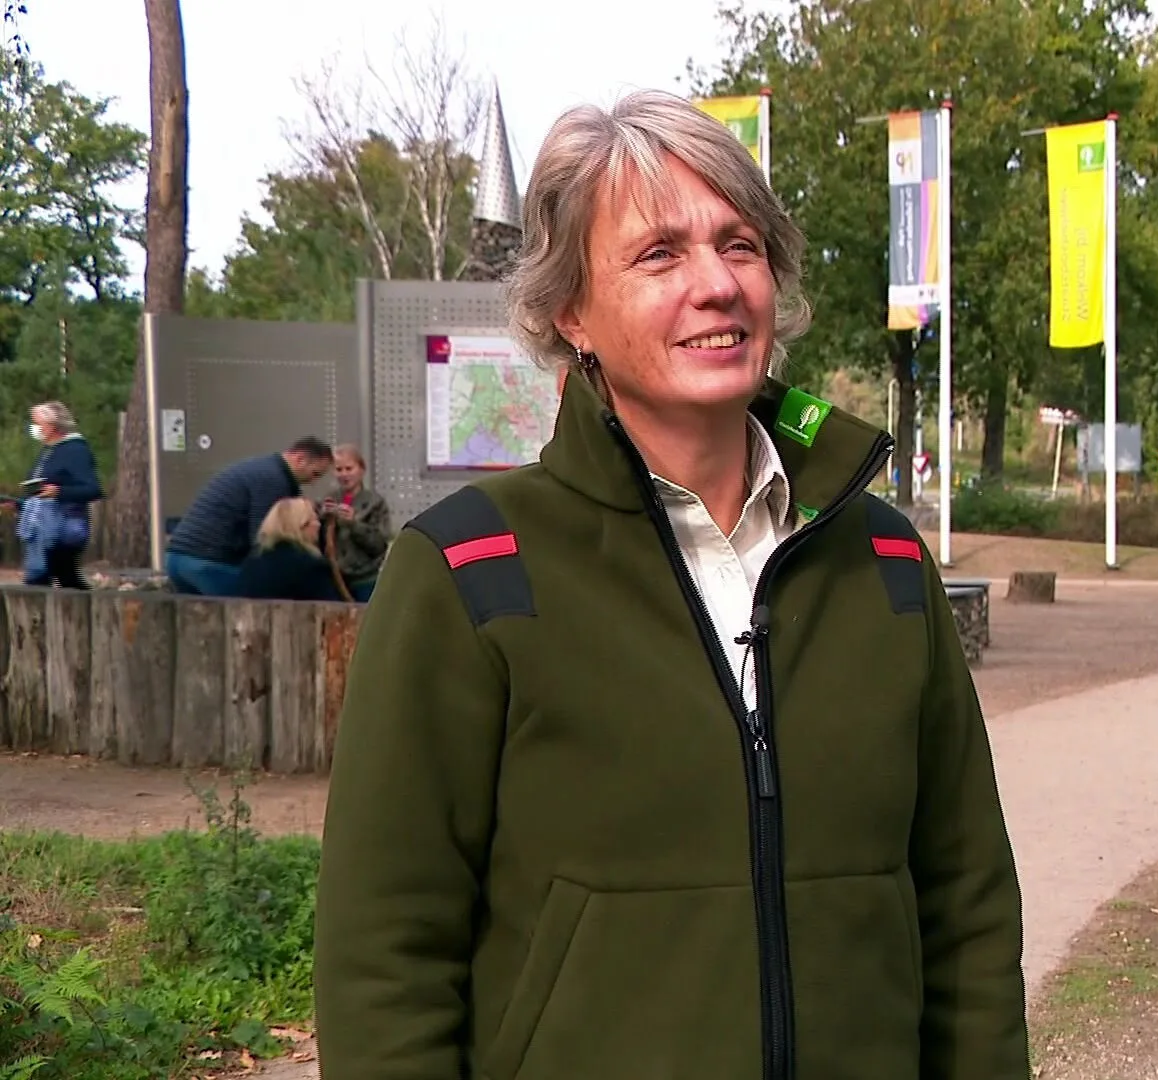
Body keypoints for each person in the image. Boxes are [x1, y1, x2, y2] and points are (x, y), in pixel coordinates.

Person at [314, 89, 1028, 1080]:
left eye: (740, 245)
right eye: (659, 254)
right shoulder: (470, 573)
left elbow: (967, 913)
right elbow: (383, 960)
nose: (717, 284)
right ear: (571, 310)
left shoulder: (886, 563)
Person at [165, 436, 333, 596]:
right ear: (300, 459)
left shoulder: (260, 469)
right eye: (315, 474)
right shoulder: (273, 480)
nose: (313, 482)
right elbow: (264, 537)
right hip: (210, 561)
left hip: (178, 557)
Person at [19, 402, 102, 589]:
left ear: (52, 426)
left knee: (61, 577)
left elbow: (92, 489)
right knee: (49, 577)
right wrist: (20, 504)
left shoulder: (75, 450)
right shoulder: (49, 450)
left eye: (38, 424)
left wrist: (60, 492)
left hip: (64, 527)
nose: (34, 428)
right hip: (41, 525)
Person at [234, 497, 346, 602]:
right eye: (315, 520)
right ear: (302, 525)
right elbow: (333, 608)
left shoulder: (252, 561)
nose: (319, 525)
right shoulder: (310, 566)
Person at [321, 443, 392, 602]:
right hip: (334, 578)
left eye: (349, 468)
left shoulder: (375, 503)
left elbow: (379, 544)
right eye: (339, 470)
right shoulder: (330, 499)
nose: (344, 474)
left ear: (362, 470)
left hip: (365, 579)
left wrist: (354, 524)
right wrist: (321, 518)